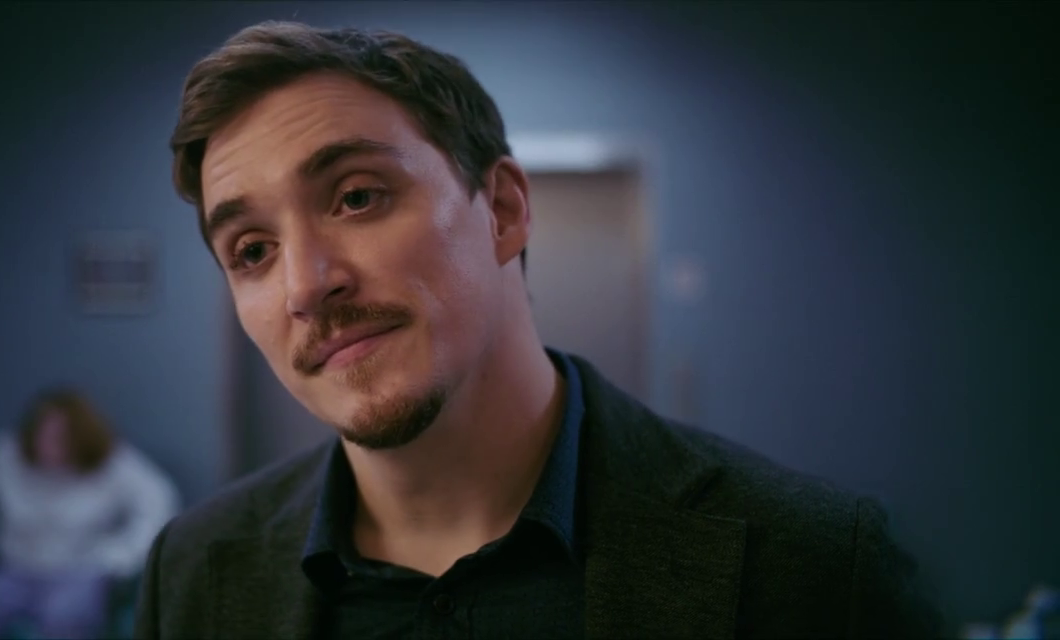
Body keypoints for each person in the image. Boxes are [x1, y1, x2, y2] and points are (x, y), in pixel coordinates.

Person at [136, 21, 945, 638]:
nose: (307, 285)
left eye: (357, 198)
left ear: (502, 210)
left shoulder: (814, 566)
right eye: (252, 250)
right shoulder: (193, 573)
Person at [0, 387, 180, 639]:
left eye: (60, 437)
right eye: (42, 434)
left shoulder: (112, 463)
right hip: (14, 567)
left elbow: (159, 501)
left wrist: (120, 557)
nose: (48, 445)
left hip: (78, 571)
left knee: (67, 618)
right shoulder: (5, 454)